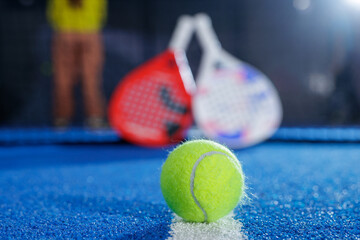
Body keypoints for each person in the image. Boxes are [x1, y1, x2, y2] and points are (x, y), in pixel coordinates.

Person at [47, 0, 107, 128]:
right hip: (88, 30)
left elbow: (53, 13)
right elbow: (101, 11)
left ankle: (62, 120)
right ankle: (94, 118)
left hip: (66, 31)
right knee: (90, 79)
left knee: (64, 79)